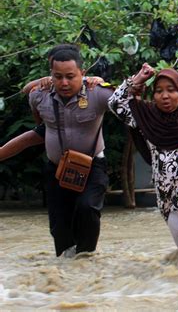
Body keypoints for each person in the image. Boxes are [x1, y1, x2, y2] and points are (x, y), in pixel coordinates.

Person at [108, 63, 178, 267]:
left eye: (171, 90)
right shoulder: (146, 116)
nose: (165, 96)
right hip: (167, 199)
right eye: (159, 91)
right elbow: (115, 103)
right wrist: (137, 79)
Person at [29, 49, 113, 257]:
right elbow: (35, 113)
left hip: (93, 166)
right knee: (59, 225)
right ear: (51, 75)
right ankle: (66, 272)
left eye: (70, 76)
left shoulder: (99, 93)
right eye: (58, 77)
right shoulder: (39, 94)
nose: (64, 83)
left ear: (82, 73)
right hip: (56, 169)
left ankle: (85, 259)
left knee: (87, 209)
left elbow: (128, 102)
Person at [0, 44, 103, 162]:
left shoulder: (83, 81)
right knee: (24, 139)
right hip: (53, 124)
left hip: (78, 126)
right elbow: (26, 89)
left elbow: (100, 83)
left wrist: (97, 80)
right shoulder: (49, 82)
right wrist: (43, 80)